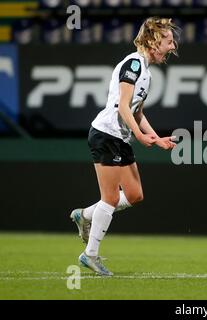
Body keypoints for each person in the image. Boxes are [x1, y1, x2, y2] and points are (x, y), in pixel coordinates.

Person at [70, 17, 179, 276]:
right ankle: (90, 255)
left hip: (120, 137)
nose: (172, 46)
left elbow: (136, 112)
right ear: (154, 42)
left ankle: (84, 215)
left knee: (134, 195)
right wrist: (141, 138)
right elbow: (122, 104)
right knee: (109, 198)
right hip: (106, 134)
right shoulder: (132, 64)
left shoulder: (146, 72)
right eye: (169, 41)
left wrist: (157, 137)